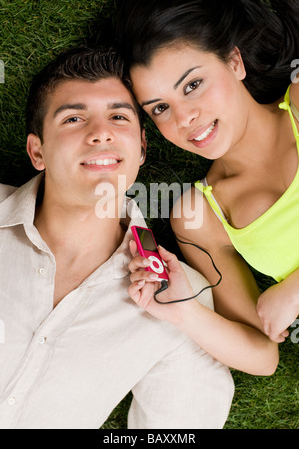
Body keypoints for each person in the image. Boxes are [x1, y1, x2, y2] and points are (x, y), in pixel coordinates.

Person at [0, 45, 235, 429]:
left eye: (119, 117)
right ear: (36, 151)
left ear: (142, 147)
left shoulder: (176, 294)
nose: (101, 134)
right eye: (74, 118)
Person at [114, 0, 299, 346]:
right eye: (161, 108)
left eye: (192, 85)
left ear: (234, 62)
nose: (184, 118)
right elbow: (262, 353)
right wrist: (179, 308)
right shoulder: (199, 214)